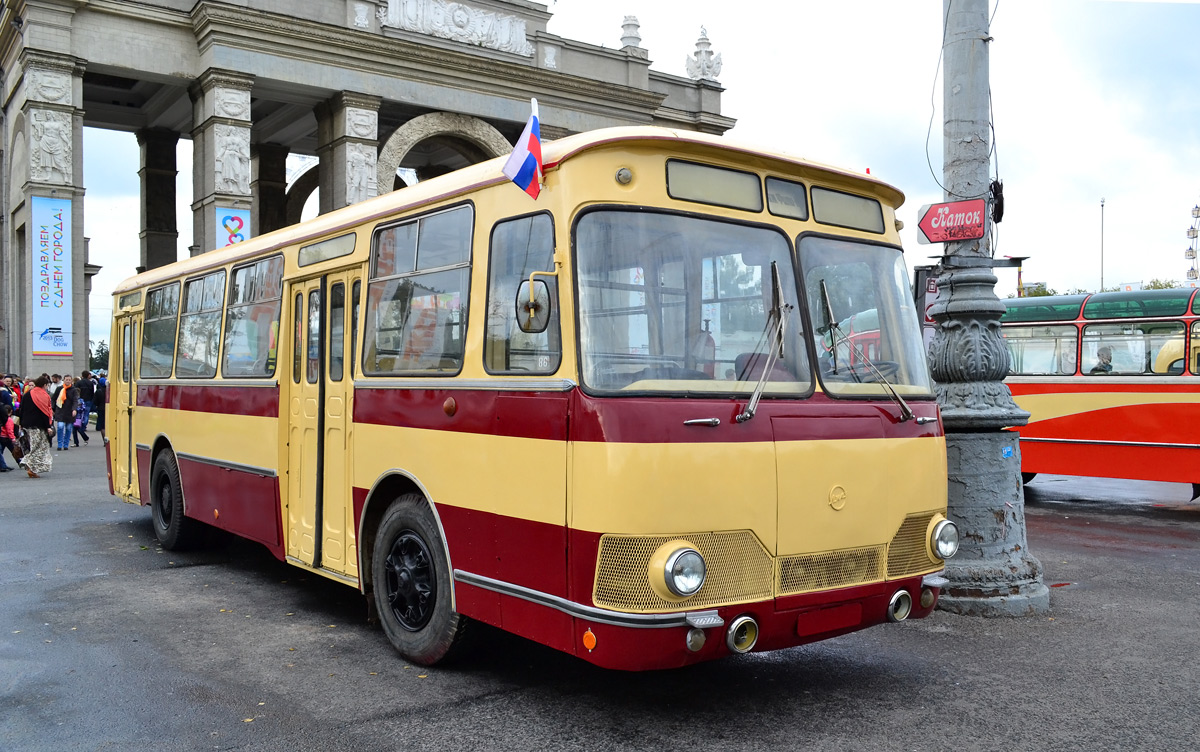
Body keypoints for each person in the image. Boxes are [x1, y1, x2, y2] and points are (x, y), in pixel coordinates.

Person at [18, 375, 54, 478]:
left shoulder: (27, 394)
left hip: (26, 424)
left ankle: (31, 467)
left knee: (34, 445)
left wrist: (21, 423)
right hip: (38, 425)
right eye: (47, 385)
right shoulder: (43, 395)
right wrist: (48, 426)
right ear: (44, 385)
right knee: (39, 447)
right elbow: (44, 413)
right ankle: (29, 465)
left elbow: (22, 409)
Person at [52, 374, 78, 451]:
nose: (68, 381)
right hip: (60, 411)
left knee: (69, 428)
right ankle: (60, 444)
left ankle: (66, 444)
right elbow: (53, 399)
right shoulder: (59, 389)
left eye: (69, 380)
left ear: (71, 381)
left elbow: (75, 400)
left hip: (70, 412)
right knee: (60, 426)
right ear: (64, 380)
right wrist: (53, 409)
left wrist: (74, 409)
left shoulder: (74, 390)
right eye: (66, 380)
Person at [0, 404, 16, 472]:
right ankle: (20, 461)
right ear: (11, 412)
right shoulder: (9, 420)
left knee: (1, 451)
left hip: (2, 437)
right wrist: (13, 438)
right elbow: (10, 430)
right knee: (13, 450)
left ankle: (2, 464)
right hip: (7, 438)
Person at [93, 377, 107, 446]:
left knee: (102, 426)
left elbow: (95, 402)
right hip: (109, 409)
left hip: (101, 409)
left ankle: (104, 440)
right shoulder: (110, 390)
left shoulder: (98, 391)